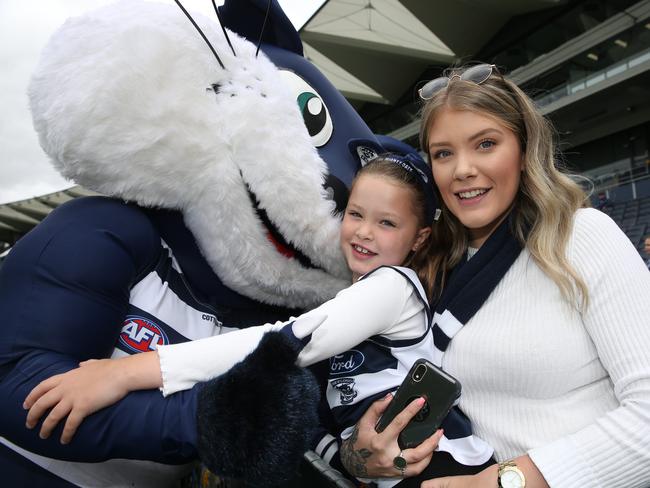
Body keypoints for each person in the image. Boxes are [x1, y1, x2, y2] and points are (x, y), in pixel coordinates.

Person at [23, 154, 495, 487]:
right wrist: (348, 458)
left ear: (420, 238)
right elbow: (320, 427)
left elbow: (285, 343)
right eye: (355, 214)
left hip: (446, 469)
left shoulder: (392, 287)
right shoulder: (348, 296)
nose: (365, 232)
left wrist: (124, 371)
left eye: (387, 223)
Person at [336, 63, 650, 488]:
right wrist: (362, 456)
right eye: (444, 153)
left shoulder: (581, 236)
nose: (462, 169)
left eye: (485, 144)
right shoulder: (426, 267)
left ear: (523, 149)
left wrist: (503, 482)